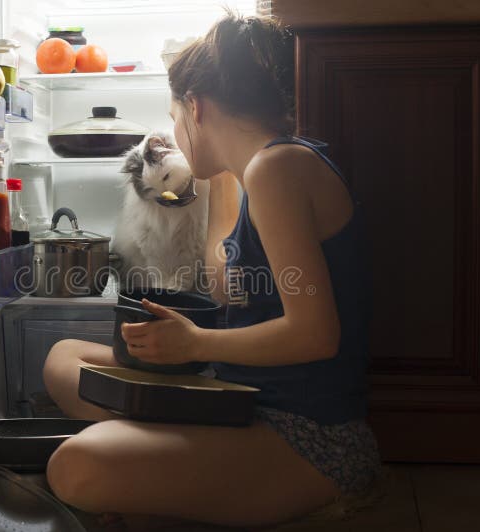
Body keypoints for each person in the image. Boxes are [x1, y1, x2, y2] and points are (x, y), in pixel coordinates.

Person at [42, 12, 381, 527]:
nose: (175, 133)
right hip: (237, 399)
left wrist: (196, 344)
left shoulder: (277, 169)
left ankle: (158, 461)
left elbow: (316, 334)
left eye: (176, 117)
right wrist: (220, 170)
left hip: (306, 434)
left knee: (75, 468)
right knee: (63, 360)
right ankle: (166, 459)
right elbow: (228, 285)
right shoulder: (257, 171)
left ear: (195, 107)